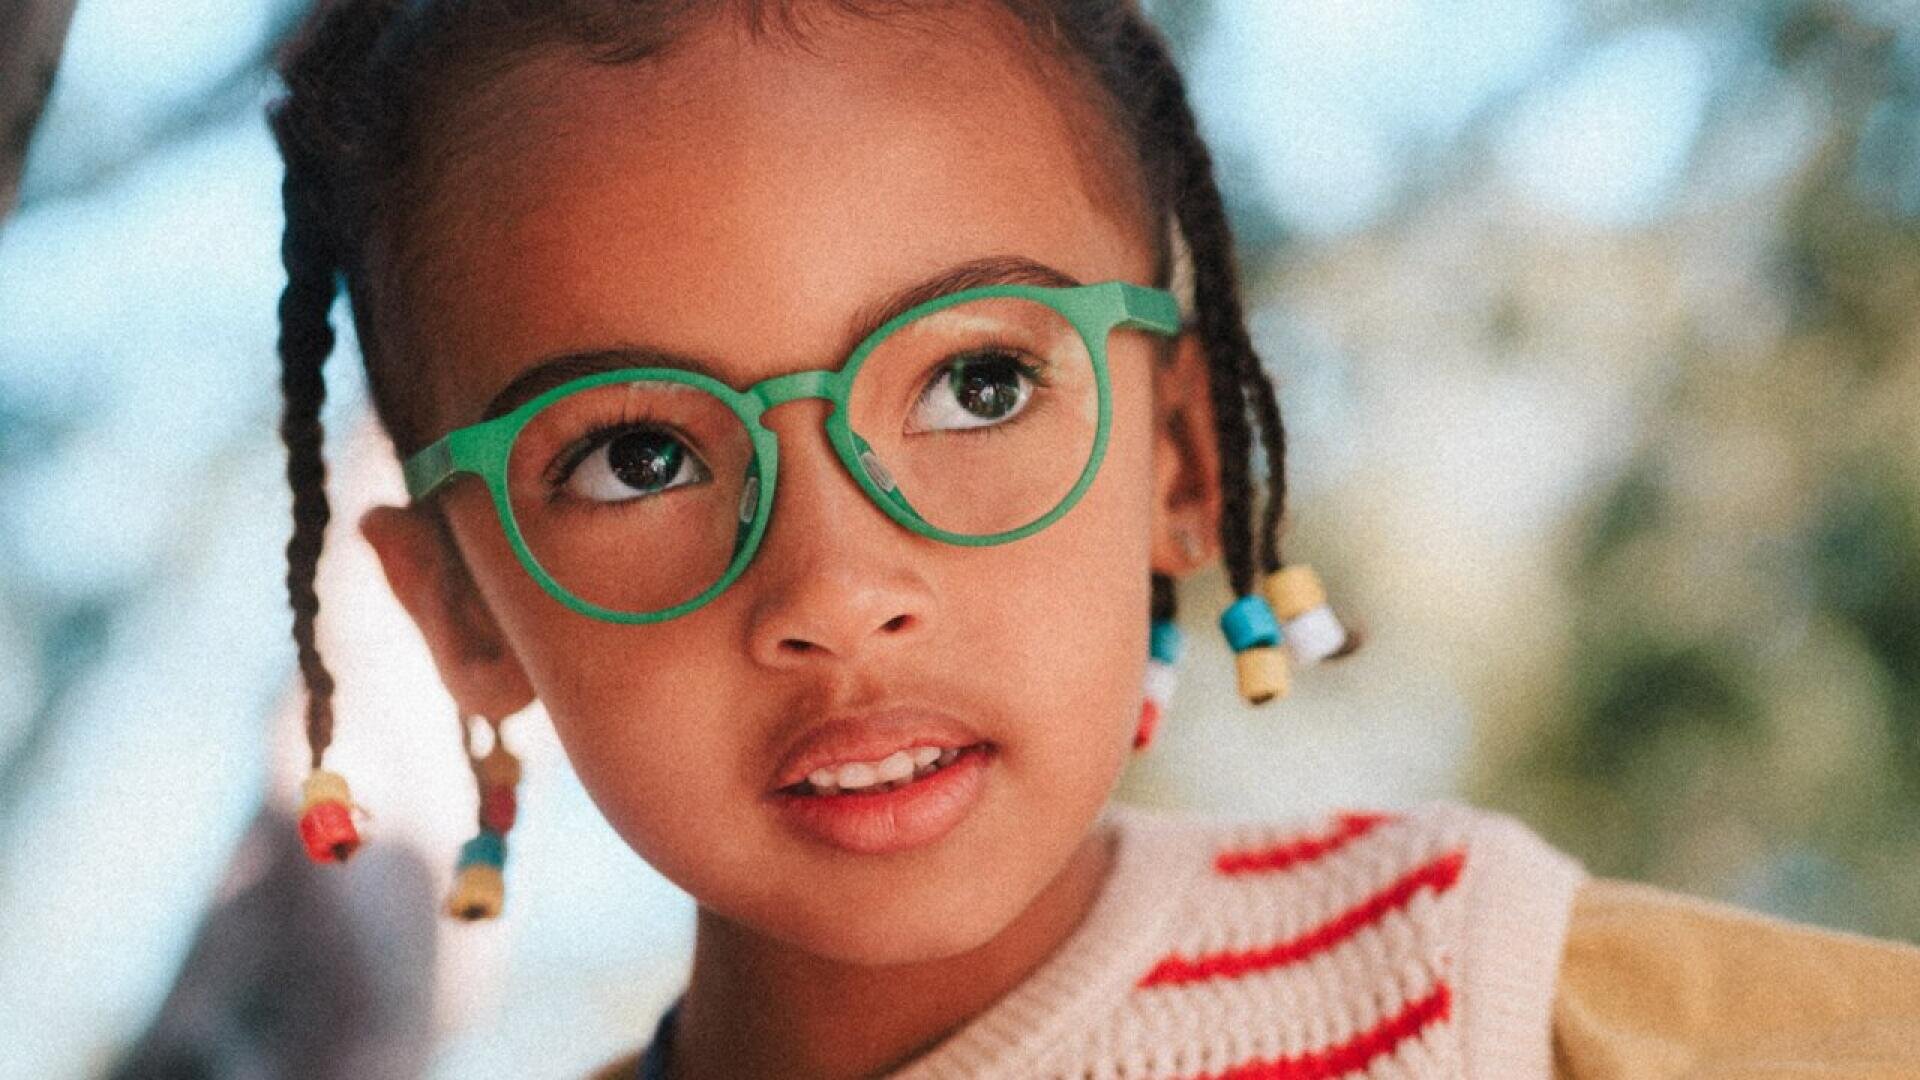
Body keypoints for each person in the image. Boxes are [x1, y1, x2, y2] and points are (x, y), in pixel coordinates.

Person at [262, 2, 1920, 1077]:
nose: (838, 591)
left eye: (977, 382)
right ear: (463, 608)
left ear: (1185, 456)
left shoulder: (1494, 1001)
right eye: (638, 453)